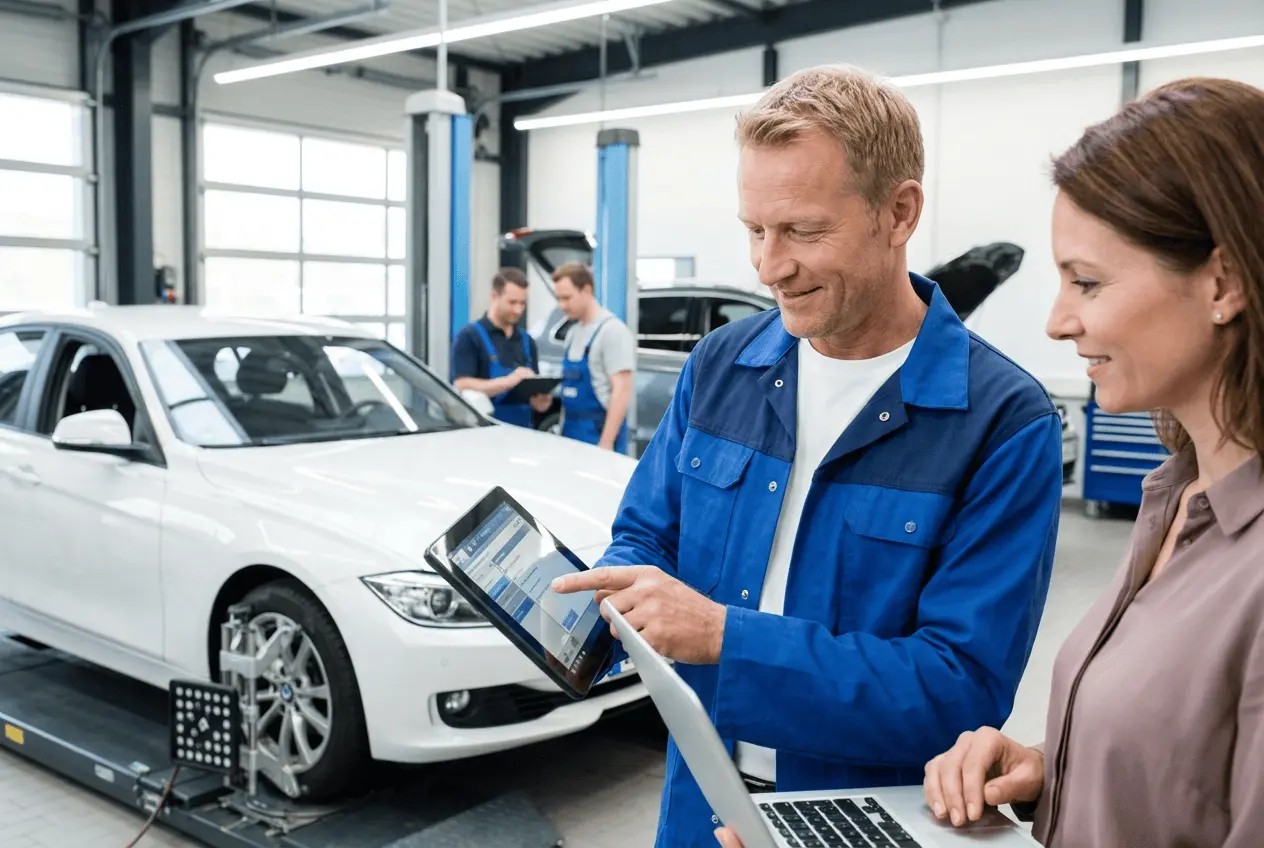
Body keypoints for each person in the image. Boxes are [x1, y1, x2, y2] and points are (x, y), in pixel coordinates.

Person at [551, 65, 1065, 848]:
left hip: (858, 820)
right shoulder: (721, 366)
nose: (768, 267)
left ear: (899, 213)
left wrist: (728, 637)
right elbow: (646, 535)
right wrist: (627, 595)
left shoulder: (1000, 421)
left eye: (802, 231)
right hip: (701, 797)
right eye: (754, 230)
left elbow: (958, 689)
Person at [914, 76, 1264, 848]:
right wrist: (1054, 771)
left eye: (1088, 282)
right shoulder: (1176, 499)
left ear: (1225, 281)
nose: (1056, 321)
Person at [450, 268, 552, 427]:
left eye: (522, 303)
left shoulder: (527, 341)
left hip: (523, 434)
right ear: (494, 296)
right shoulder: (469, 336)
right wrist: (509, 381)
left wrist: (541, 403)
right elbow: (462, 384)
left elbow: (535, 397)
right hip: (484, 434)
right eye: (512, 302)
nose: (518, 309)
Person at [551, 261, 635, 452]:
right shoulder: (573, 333)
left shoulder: (612, 331)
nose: (561, 305)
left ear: (586, 290)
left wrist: (606, 443)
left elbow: (621, 391)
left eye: (567, 298)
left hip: (597, 435)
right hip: (570, 434)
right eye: (559, 298)